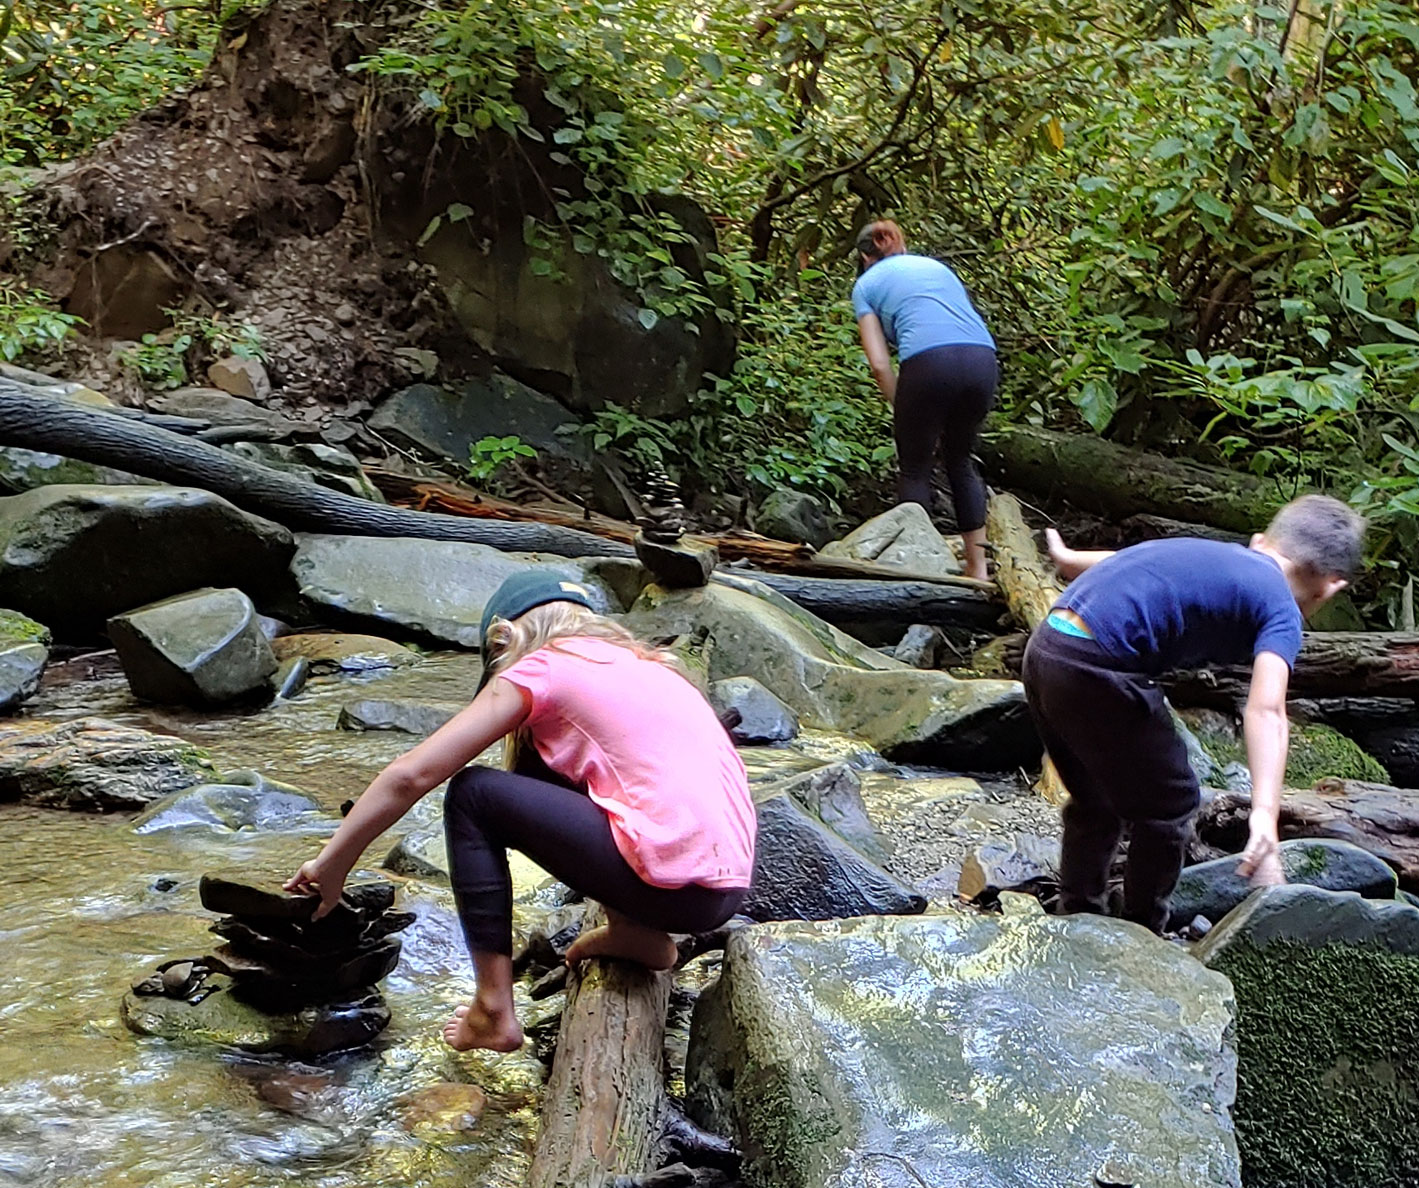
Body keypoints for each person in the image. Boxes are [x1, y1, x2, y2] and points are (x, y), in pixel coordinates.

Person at [286, 567, 757, 1053]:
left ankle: (493, 1008)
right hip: (723, 890)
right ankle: (636, 933)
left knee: (473, 793)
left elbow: (413, 775)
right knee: (553, 761)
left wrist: (333, 863)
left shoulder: (545, 665)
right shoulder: (652, 666)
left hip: (667, 882)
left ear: (504, 640)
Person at [1021, 495, 1364, 934]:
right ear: (1330, 587)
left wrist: (1070, 560)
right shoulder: (1281, 607)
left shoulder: (1222, 556)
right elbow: (1267, 710)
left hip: (1048, 648)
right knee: (1173, 802)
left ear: (1263, 541)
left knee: (1097, 798)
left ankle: (1079, 914)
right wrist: (1264, 813)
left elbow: (1135, 562)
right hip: (1099, 668)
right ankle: (1142, 930)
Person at [852, 218, 1000, 582]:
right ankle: (978, 572)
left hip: (929, 362)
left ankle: (918, 575)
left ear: (865, 257)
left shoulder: (866, 284)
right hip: (983, 359)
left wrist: (899, 403)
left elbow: (878, 362)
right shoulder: (936, 267)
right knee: (960, 460)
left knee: (915, 467)